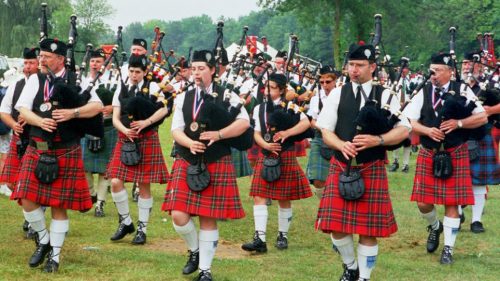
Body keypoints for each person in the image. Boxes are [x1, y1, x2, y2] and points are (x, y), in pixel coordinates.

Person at [316, 43, 411, 281]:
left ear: (372, 67)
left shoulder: (386, 94)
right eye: (351, 65)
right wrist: (341, 144)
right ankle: (350, 266)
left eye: (360, 65)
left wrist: (377, 140)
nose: (354, 70)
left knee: (368, 231)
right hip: (342, 164)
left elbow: (404, 130)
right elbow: (325, 129)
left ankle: (364, 277)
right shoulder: (338, 93)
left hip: (371, 166)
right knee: (336, 228)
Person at [12, 38, 103, 272]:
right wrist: (40, 120)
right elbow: (22, 108)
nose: (41, 60)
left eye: (47, 57)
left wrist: (73, 113)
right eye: (40, 56)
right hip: (37, 146)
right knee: (26, 199)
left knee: (58, 206)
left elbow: (97, 107)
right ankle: (43, 240)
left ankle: (55, 257)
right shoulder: (35, 79)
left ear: (61, 60)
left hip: (66, 149)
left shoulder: (76, 80)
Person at [162, 50, 249, 281]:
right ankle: (194, 251)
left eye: (202, 68)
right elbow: (175, 130)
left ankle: (205, 270)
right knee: (179, 215)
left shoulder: (227, 95)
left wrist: (219, 134)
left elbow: (244, 123)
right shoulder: (184, 97)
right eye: (194, 68)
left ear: (212, 70)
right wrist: (190, 143)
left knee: (207, 217)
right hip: (187, 158)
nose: (196, 72)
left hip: (216, 159)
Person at [403, 52, 487, 264]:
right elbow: (410, 121)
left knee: (452, 203)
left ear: (451, 71)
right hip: (429, 151)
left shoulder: (463, 90)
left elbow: (482, 116)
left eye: (438, 70)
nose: (433, 74)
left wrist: (459, 124)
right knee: (423, 203)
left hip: (454, 151)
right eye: (432, 70)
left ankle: (448, 248)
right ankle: (434, 227)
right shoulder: (424, 90)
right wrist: (427, 131)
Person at [241, 72, 312, 253]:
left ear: (281, 89)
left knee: (284, 198)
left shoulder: (291, 106)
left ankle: (282, 235)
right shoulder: (260, 108)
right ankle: (260, 238)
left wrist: (287, 133)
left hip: (285, 154)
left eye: (272, 87)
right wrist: (265, 144)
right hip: (265, 154)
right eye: (267, 86)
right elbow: (256, 132)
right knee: (259, 196)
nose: (267, 90)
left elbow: (305, 124)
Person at [106, 54, 169, 245]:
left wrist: (146, 122)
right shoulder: (122, 87)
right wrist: (125, 130)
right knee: (116, 182)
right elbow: (116, 117)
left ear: (144, 72)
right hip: (125, 139)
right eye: (131, 71)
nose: (134, 75)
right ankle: (126, 222)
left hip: (146, 139)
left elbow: (164, 109)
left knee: (143, 185)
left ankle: (142, 229)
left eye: (138, 72)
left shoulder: (153, 87)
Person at [0, 47, 39, 235]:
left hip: (38, 140)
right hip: (20, 138)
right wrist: (14, 125)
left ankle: (32, 222)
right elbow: (4, 111)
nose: (28, 67)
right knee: (12, 183)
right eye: (26, 63)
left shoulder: (45, 86)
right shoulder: (16, 86)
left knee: (32, 183)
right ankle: (30, 216)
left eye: (32, 63)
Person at [460, 50, 500, 233]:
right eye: (465, 63)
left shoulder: (490, 84)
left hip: (482, 135)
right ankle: (458, 211)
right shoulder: (457, 85)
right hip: (459, 135)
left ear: (480, 66)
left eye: (471, 63)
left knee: (478, 181)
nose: (467, 66)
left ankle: (476, 220)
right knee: (460, 178)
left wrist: (490, 111)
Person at [80, 49, 118, 217]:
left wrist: (112, 107)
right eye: (93, 61)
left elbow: (121, 102)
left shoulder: (113, 81)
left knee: (105, 169)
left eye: (99, 61)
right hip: (87, 126)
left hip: (108, 127)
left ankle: (100, 204)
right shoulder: (82, 81)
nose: (95, 64)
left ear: (106, 64)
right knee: (84, 167)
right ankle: (91, 194)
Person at [306, 65, 337, 199]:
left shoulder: (342, 96)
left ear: (335, 81)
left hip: (339, 137)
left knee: (337, 178)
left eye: (328, 82)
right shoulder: (316, 98)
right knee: (318, 180)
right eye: (322, 82)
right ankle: (324, 208)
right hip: (320, 137)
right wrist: (324, 128)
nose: (325, 85)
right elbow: (312, 121)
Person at [389, 64, 412, 173]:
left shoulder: (412, 80)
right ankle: (395, 161)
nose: (404, 70)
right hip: (396, 111)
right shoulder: (393, 81)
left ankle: (405, 164)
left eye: (406, 68)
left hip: (408, 111)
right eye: (402, 68)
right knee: (396, 138)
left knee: (407, 140)